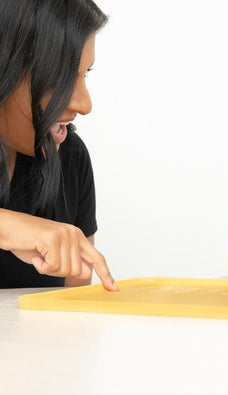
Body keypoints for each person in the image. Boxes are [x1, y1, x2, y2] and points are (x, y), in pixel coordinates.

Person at [0, 0, 118, 291]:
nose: (85, 104)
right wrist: (7, 228)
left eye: (84, 74)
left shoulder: (70, 155)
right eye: (58, 80)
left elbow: (72, 300)